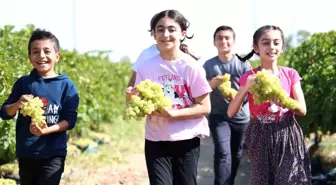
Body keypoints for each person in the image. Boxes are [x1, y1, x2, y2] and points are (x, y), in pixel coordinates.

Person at [126, 9, 212, 185]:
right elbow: (139, 102)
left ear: (183, 34)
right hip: (155, 139)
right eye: (160, 29)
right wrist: (132, 97)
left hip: (186, 139)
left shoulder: (191, 67)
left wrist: (173, 114)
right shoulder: (146, 66)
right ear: (153, 34)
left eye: (172, 29)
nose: (165, 35)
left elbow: (204, 107)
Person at [227, 25, 311, 185]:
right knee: (263, 181)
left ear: (282, 47)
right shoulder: (249, 77)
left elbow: (302, 109)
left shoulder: (290, 74)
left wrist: (284, 99)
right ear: (256, 48)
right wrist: (245, 88)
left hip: (287, 133)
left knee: (291, 180)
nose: (271, 47)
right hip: (259, 134)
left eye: (276, 43)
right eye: (265, 43)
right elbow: (231, 112)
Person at [0, 29, 80, 185]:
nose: (41, 56)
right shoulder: (24, 83)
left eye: (47, 51)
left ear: (57, 56)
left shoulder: (66, 86)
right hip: (27, 153)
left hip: (53, 154)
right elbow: (4, 112)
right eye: (35, 52)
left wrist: (46, 131)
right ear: (30, 57)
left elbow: (70, 121)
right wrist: (17, 104)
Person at [202, 25, 251, 185]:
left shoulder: (243, 64)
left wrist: (238, 99)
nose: (223, 41)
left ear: (233, 41)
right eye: (219, 38)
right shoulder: (208, 66)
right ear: (214, 43)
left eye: (227, 38)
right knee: (223, 152)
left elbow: (250, 90)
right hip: (218, 116)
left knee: (236, 153)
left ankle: (228, 181)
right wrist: (211, 84)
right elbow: (200, 91)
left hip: (241, 116)